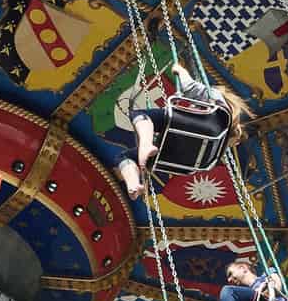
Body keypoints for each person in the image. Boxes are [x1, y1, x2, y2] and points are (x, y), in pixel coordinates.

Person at [103, 62, 251, 201]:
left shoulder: (217, 98)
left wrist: (180, 70)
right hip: (190, 159)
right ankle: (134, 185)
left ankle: (145, 148)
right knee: (126, 156)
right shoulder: (223, 135)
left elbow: (190, 87)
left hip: (197, 125)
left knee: (140, 116)